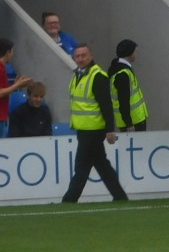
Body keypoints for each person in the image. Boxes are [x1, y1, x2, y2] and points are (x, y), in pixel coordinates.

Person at [61, 44, 129, 203]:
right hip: (84, 129)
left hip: (93, 129)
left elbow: (106, 105)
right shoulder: (78, 75)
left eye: (83, 55)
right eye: (77, 56)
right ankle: (120, 196)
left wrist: (110, 130)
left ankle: (69, 200)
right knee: (101, 165)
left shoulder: (98, 76)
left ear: (91, 56)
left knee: (81, 167)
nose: (80, 59)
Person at [108, 38, 148, 132]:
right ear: (129, 53)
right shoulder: (123, 74)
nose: (136, 54)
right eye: (135, 51)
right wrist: (129, 124)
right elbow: (123, 101)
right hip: (133, 123)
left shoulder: (120, 70)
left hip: (133, 120)